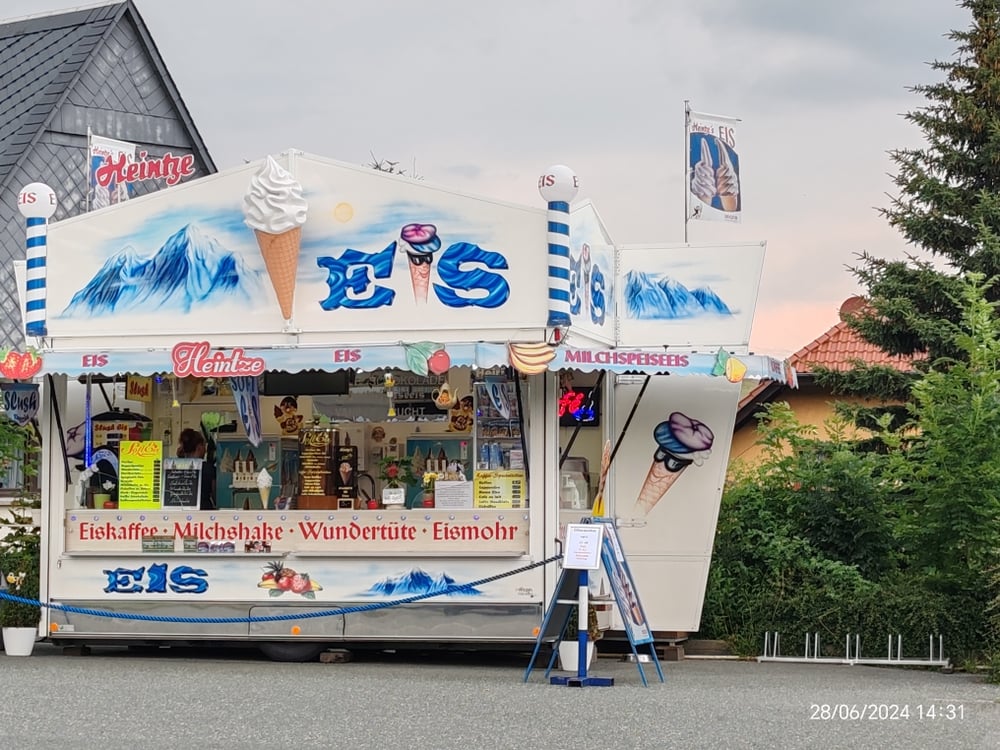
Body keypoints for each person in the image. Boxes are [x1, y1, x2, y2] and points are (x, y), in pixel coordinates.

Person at [178, 428, 216, 510]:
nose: (205, 451)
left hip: (181, 510)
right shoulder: (208, 468)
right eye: (204, 446)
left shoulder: (176, 466)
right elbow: (215, 495)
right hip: (204, 511)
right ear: (199, 447)